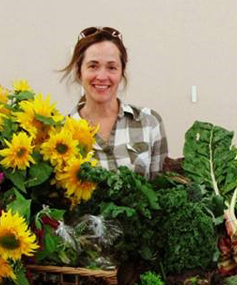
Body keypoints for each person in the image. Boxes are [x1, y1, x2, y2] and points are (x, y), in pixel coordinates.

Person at [60, 26, 167, 176]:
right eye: (93, 66)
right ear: (79, 71)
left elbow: (161, 189)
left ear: (122, 71)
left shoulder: (149, 122)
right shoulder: (61, 133)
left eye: (111, 67)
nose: (102, 76)